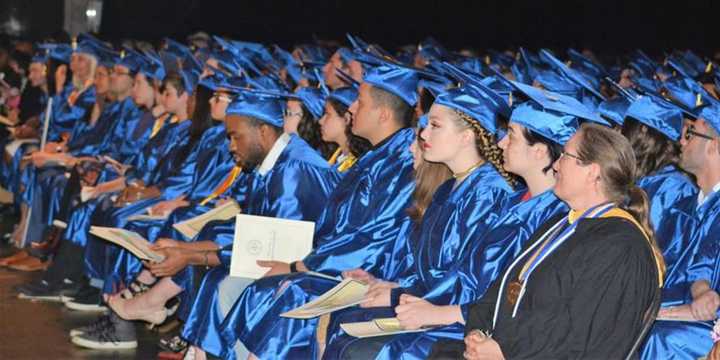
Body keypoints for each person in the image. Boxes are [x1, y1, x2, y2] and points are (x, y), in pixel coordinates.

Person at [432, 123, 664, 359]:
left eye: (565, 156)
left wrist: (506, 352)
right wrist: (479, 332)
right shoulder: (561, 224)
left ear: (592, 172)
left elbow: (584, 336)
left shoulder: (621, 246)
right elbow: (506, 290)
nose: (555, 165)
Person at [641, 104, 720, 359]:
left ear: (714, 145)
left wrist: (659, 312)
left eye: (690, 134)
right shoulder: (683, 205)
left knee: (661, 338)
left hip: (705, 327)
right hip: (669, 304)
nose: (681, 141)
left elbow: (706, 293)